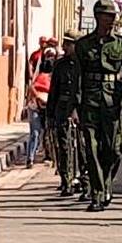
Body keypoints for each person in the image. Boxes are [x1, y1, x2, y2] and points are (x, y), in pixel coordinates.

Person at [72, 0, 122, 212]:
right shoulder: (83, 45)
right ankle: (98, 193)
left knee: (114, 150)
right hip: (89, 101)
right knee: (91, 148)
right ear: (98, 17)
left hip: (113, 102)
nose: (111, 21)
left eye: (113, 17)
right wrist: (75, 107)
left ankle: (107, 182)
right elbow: (77, 77)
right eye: (107, 16)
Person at [47, 29, 83, 196]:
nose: (65, 47)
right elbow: (53, 90)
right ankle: (66, 180)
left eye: (68, 44)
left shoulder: (83, 64)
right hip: (62, 108)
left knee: (83, 147)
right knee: (64, 146)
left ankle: (84, 181)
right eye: (65, 43)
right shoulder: (59, 65)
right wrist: (50, 114)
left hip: (80, 109)